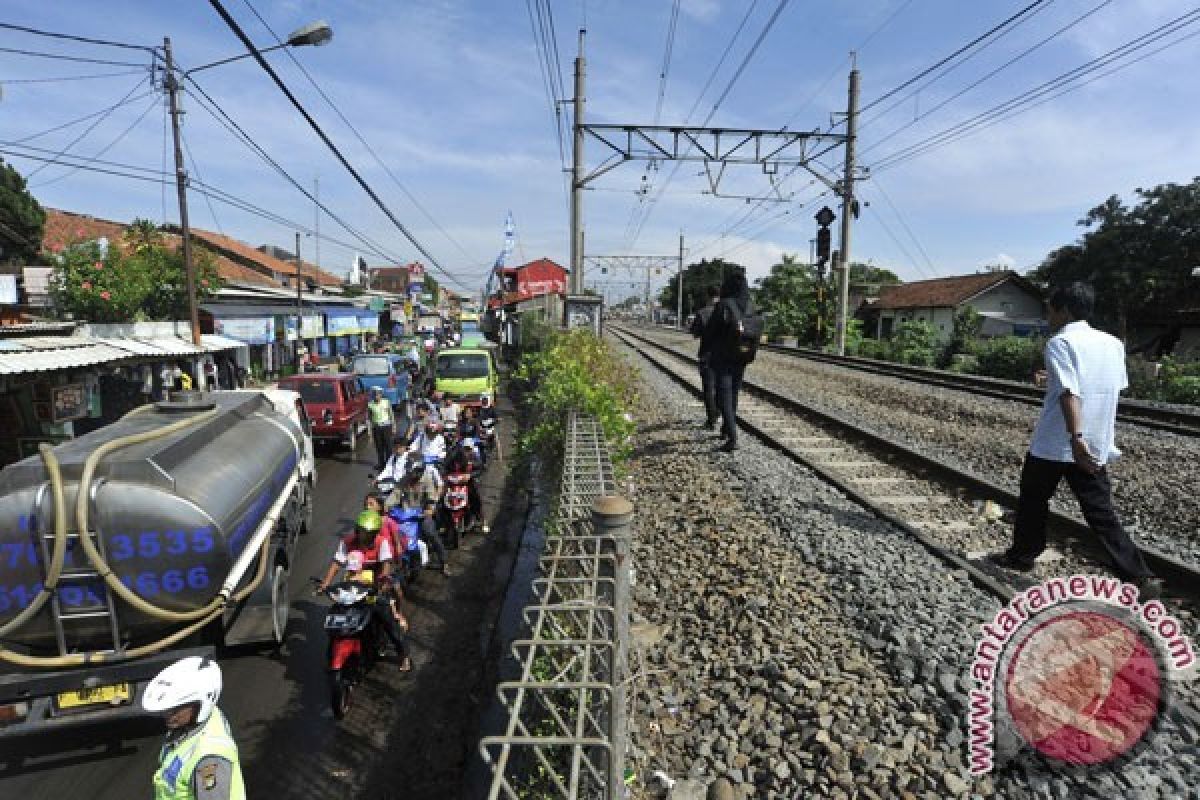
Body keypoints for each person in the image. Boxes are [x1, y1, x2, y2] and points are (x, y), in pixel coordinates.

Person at [989, 283, 1160, 597]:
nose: (1049, 314)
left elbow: (1071, 392)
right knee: (1100, 512)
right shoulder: (1112, 343)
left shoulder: (1061, 342)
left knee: (1033, 499)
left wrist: (1075, 437)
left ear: (1064, 310)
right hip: (1096, 442)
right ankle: (1139, 576)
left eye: (1051, 308)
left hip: (1058, 443)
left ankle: (1023, 555)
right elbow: (1104, 387)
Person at [315, 510, 412, 670]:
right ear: (357, 530)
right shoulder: (347, 542)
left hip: (374, 587)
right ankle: (332, 655)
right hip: (351, 588)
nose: (364, 537)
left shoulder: (382, 543)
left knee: (387, 619)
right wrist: (326, 583)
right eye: (362, 532)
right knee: (336, 617)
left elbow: (386, 565)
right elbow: (337, 563)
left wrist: (382, 582)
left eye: (369, 534)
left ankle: (403, 654)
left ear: (375, 533)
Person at [143, 656, 246, 800]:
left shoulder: (208, 759)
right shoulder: (195, 723)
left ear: (201, 703)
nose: (167, 714)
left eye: (176, 708)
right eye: (166, 708)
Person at [707, 269, 754, 452]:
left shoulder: (724, 304)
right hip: (742, 356)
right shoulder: (750, 305)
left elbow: (711, 330)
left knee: (723, 395)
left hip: (723, 357)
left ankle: (732, 438)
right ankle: (726, 429)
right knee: (733, 394)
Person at [400, 469, 451, 574]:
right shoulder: (403, 480)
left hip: (422, 514)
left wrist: (430, 509)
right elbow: (394, 496)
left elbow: (432, 497)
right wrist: (387, 506)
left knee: (430, 532)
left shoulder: (427, 479)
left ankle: (444, 562)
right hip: (406, 515)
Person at [689, 285, 722, 429]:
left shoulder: (702, 313)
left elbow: (694, 333)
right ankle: (720, 412)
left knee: (708, 389)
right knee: (722, 388)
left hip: (707, 355)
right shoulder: (726, 311)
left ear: (708, 296)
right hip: (724, 355)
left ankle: (711, 420)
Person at [444, 432, 488, 534]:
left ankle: (482, 520)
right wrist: (445, 475)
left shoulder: (474, 457)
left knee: (476, 498)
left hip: (468, 482)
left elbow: (480, 469)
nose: (467, 451)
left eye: (469, 449)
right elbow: (445, 465)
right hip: (453, 482)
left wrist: (470, 475)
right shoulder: (454, 454)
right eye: (465, 448)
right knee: (442, 498)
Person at [367, 387, 395, 471]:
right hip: (377, 428)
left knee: (388, 447)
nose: (377, 396)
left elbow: (391, 414)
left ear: (381, 395)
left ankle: (389, 464)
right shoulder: (370, 404)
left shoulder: (386, 402)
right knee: (379, 447)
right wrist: (370, 432)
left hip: (387, 427)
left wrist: (394, 426)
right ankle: (381, 464)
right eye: (375, 394)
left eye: (378, 394)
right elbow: (369, 419)